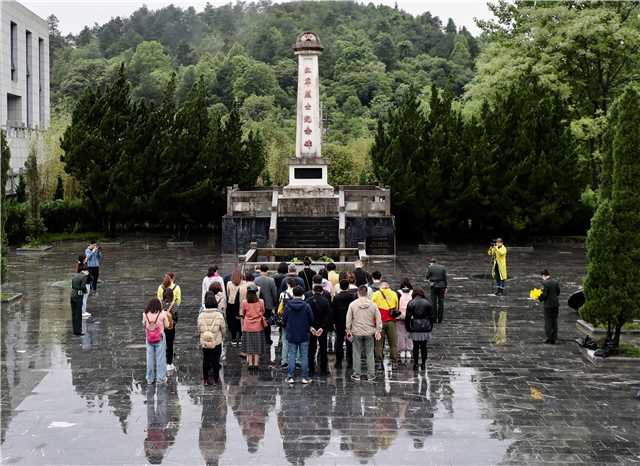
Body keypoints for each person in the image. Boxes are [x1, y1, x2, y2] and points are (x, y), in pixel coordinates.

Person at [346, 285, 382, 382]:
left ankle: (357, 374)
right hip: (369, 332)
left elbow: (348, 319)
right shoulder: (373, 304)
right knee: (370, 353)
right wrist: (378, 330)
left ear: (358, 293)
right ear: (367, 293)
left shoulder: (352, 304)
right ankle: (371, 375)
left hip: (356, 332)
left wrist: (348, 330)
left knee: (356, 353)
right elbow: (379, 318)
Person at [282, 286, 315, 384]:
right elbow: (311, 319)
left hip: (291, 334)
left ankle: (290, 377)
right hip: (304, 334)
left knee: (291, 355)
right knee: (304, 356)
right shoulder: (306, 306)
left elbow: (284, 320)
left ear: (293, 294)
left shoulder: (288, 305)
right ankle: (305, 377)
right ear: (303, 295)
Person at [198, 291, 227, 384]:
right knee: (215, 360)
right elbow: (223, 328)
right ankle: (215, 379)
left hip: (205, 341)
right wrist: (222, 336)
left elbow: (199, 328)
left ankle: (205, 379)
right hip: (216, 341)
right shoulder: (219, 315)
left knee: (205, 359)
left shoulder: (201, 315)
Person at [371, 280, 399, 369]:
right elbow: (396, 307)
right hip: (391, 322)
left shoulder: (375, 294)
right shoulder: (394, 294)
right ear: (388, 286)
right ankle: (394, 362)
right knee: (393, 343)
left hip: (379, 322)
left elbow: (372, 308)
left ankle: (379, 362)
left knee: (378, 343)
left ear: (380, 287)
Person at [405, 288, 434, 371]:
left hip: (415, 327)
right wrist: (430, 326)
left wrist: (408, 328)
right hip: (425, 327)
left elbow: (407, 317)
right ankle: (424, 364)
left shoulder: (411, 303)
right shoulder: (428, 302)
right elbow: (432, 317)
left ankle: (415, 363)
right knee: (424, 347)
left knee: (415, 347)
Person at [306, 284, 332, 376]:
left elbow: (306, 316)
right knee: (323, 348)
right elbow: (328, 316)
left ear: (313, 291)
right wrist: (322, 327)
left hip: (311, 328)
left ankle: (311, 369)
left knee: (311, 348)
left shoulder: (308, 301)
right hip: (322, 328)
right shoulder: (325, 301)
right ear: (322, 291)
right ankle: (323, 369)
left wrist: (310, 327)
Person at [143, 297, 169, 384]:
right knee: (160, 359)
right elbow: (167, 325)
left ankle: (150, 379)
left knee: (149, 358)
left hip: (149, 338)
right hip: (160, 338)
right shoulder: (162, 314)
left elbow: (144, 324)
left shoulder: (145, 314)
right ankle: (160, 378)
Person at [332, 279, 357, 369]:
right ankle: (350, 361)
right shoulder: (353, 296)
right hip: (350, 322)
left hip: (339, 322)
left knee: (339, 341)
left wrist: (334, 322)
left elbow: (333, 311)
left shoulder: (336, 297)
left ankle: (338, 361)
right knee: (350, 341)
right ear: (348, 286)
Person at [241, 284, 266, 369]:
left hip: (247, 326)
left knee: (249, 344)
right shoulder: (261, 301)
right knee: (257, 345)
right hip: (258, 326)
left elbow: (243, 313)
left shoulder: (244, 302)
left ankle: (250, 363)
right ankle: (256, 364)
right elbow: (263, 311)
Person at [255, 264, 278, 345]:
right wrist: (275, 304)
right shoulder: (271, 280)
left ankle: (259, 339)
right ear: (267, 271)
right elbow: (274, 293)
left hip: (258, 304)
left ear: (260, 270)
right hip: (268, 304)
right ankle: (267, 339)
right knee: (267, 321)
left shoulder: (256, 280)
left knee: (258, 321)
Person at [538, 269, 561, 344]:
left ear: (543, 275)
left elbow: (544, 295)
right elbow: (558, 292)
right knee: (555, 321)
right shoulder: (555, 281)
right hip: (556, 304)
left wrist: (538, 297)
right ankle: (554, 337)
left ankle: (549, 337)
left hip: (548, 305)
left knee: (548, 321)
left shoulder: (544, 283)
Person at [277, 278, 296, 368]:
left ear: (287, 284)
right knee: (296, 340)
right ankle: (297, 361)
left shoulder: (283, 294)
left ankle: (284, 361)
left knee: (285, 340)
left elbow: (280, 306)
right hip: (296, 319)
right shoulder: (299, 293)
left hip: (286, 319)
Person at [396, 279, 414, 361]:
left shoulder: (398, 293)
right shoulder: (412, 293)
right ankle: (409, 351)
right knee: (409, 333)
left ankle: (402, 351)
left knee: (400, 334)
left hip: (400, 316)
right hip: (410, 317)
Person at [226, 269, 244, 346]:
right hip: (240, 304)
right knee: (240, 322)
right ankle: (240, 339)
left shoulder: (229, 283)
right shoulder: (243, 283)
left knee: (232, 322)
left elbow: (228, 293)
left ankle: (233, 339)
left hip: (231, 304)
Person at [426, 259, 448, 323]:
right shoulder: (442, 267)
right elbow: (445, 278)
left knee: (433, 303)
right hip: (442, 286)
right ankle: (440, 319)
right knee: (441, 303)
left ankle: (434, 319)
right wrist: (446, 286)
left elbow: (427, 277)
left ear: (431, 263)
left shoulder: (430, 268)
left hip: (434, 286)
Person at [162, 288, 178, 372]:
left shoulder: (161, 304)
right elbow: (176, 318)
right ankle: (169, 363)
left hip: (162, 328)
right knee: (170, 345)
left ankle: (163, 361)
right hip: (171, 329)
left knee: (162, 345)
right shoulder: (173, 305)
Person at [70, 264, 89, 335]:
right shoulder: (84, 277)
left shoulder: (75, 275)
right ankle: (78, 331)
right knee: (78, 314)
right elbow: (83, 286)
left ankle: (75, 330)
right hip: (78, 295)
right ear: (85, 270)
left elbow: (73, 284)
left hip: (72, 294)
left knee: (74, 314)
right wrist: (85, 291)